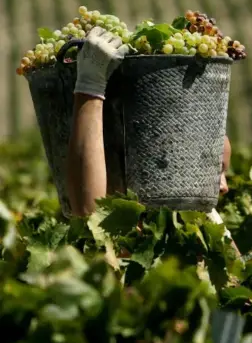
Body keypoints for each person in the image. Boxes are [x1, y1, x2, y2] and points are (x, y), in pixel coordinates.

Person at [66, 27, 238, 251]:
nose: (225, 187)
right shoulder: (132, 224)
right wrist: (90, 90)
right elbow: (90, 215)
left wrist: (89, 86)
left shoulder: (202, 225)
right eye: (216, 168)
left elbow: (237, 275)